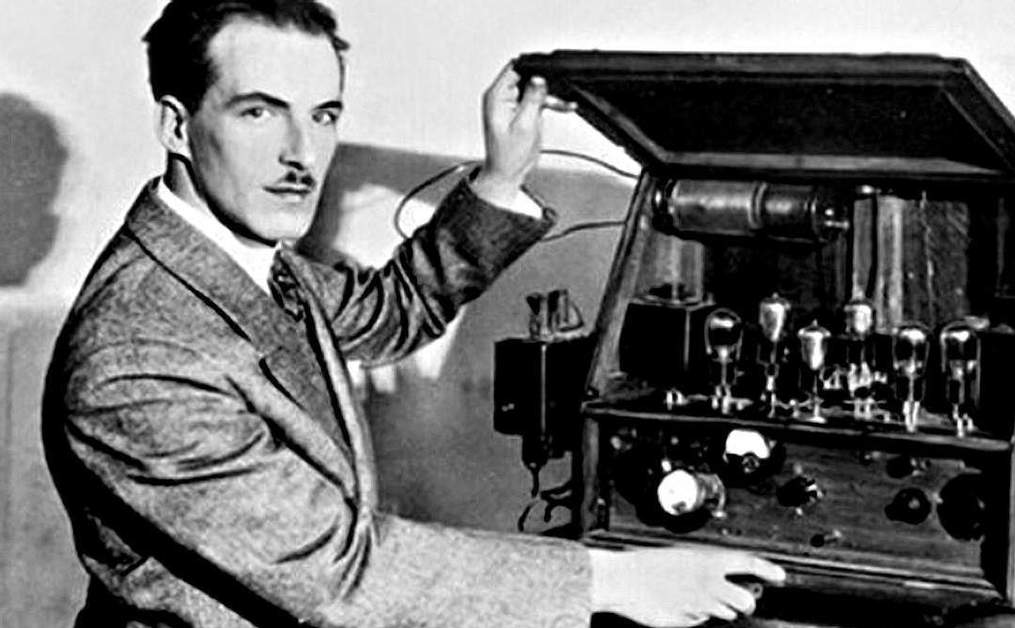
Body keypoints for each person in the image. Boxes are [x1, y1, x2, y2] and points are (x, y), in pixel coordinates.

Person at [41, 1, 786, 626]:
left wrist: (501, 177)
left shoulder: (237, 263)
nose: (302, 154)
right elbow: (340, 575)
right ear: (176, 126)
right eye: (259, 112)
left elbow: (387, 313)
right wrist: (614, 581)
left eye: (323, 115)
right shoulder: (140, 350)